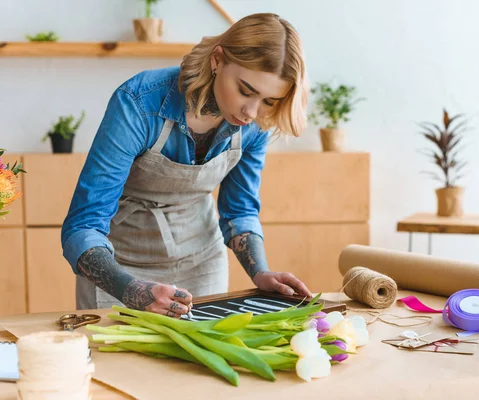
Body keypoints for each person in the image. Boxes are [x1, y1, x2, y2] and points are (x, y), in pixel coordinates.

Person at [61, 13, 312, 318]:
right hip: (120, 269)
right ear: (218, 59)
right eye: (245, 90)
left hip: (202, 262)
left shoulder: (255, 125)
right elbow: (83, 225)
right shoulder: (139, 103)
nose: (251, 111)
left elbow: (240, 212)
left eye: (269, 101)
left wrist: (260, 272)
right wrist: (132, 289)